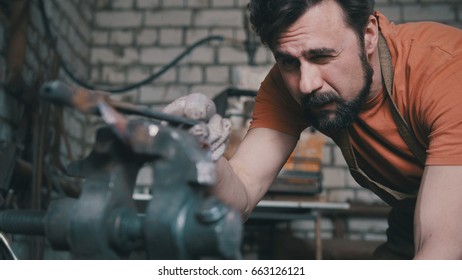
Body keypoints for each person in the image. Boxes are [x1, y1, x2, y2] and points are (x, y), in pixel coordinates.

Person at [166, 0, 462, 259]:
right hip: (411, 229)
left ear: (368, 35)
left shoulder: (446, 71)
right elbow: (241, 192)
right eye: (288, 61)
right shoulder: (287, 84)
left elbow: (441, 247)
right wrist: (205, 154)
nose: (307, 84)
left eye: (322, 56)